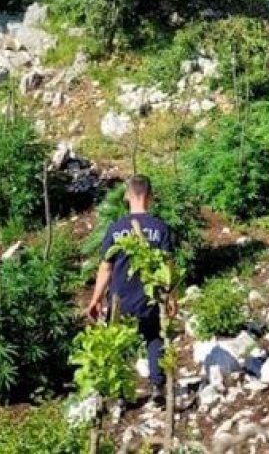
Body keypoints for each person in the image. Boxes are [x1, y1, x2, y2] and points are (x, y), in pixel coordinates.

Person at [85, 174, 177, 406]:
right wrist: (171, 296)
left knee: (117, 343)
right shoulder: (160, 228)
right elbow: (167, 266)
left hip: (120, 298)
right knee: (154, 337)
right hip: (150, 297)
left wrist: (95, 299)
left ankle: (119, 395)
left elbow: (106, 268)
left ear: (127, 196)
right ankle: (157, 387)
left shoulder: (116, 229)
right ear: (151, 196)